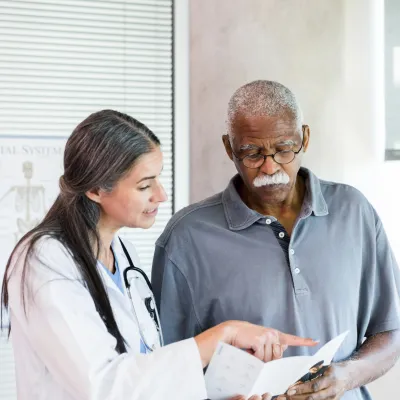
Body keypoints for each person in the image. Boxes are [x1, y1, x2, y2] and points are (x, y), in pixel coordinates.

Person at [0, 110, 317, 400]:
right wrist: (223, 335)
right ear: (96, 190)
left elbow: (147, 369)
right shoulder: (44, 261)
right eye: (144, 185)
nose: (161, 195)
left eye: (158, 179)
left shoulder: (124, 254)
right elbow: (104, 386)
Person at [151, 81, 400, 400]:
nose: (270, 167)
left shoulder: (354, 212)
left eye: (283, 149)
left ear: (304, 138)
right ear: (229, 148)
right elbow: (164, 369)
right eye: (252, 153)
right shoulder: (186, 238)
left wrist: (344, 376)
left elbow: (391, 331)